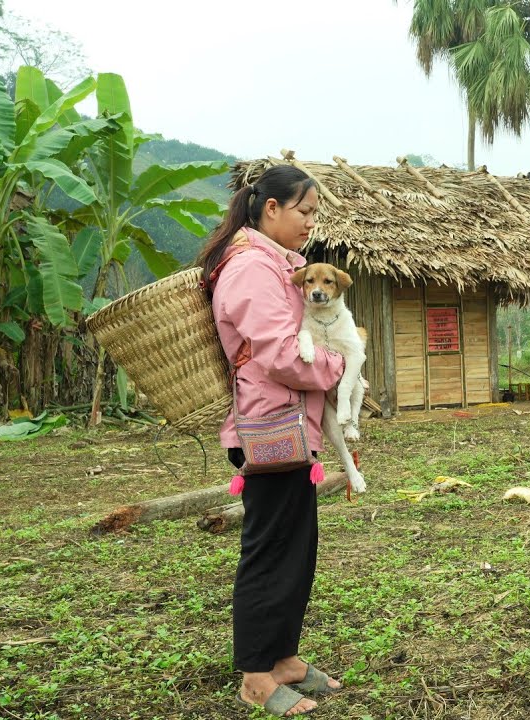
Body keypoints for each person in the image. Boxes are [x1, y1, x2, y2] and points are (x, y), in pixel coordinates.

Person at [196, 165, 347, 717]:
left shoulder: (275, 265)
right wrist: (338, 367)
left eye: (315, 213)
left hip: (287, 426)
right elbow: (280, 354)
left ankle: (282, 658)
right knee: (269, 550)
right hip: (267, 427)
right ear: (271, 209)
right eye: (304, 211)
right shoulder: (251, 269)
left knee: (295, 547)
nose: (311, 222)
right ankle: (256, 675)